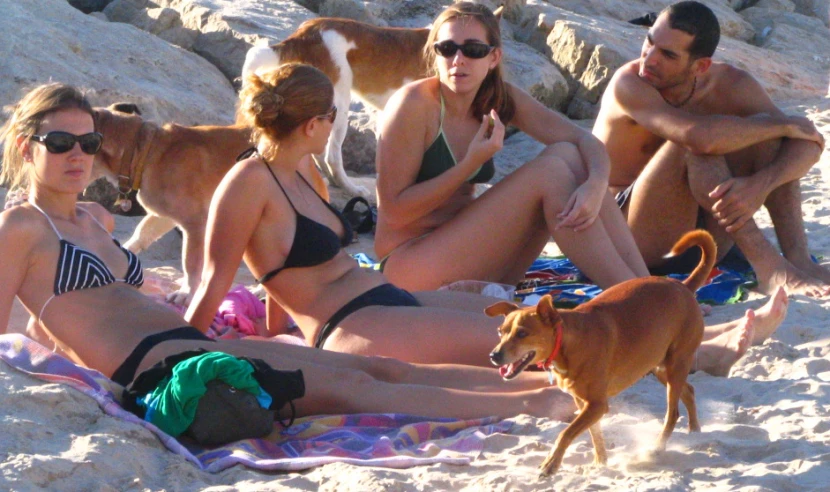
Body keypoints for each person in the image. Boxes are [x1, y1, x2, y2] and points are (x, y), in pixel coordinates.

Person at [0, 81, 584, 422]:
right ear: (27, 148)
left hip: (196, 347)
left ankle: (546, 390)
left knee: (380, 369)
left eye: (89, 141)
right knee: (362, 389)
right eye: (60, 143)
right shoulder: (20, 226)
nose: (78, 154)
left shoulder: (97, 218)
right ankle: (533, 407)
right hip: (165, 374)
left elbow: (73, 317)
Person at [184, 62, 784, 378]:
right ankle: (703, 353)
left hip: (383, 295)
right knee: (534, 354)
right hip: (350, 324)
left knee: (538, 325)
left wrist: (269, 329)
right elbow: (215, 283)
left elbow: (273, 276)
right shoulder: (244, 185)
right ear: (314, 123)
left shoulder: (305, 174)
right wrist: (171, 356)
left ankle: (691, 332)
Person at [374, 1, 649, 293]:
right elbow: (394, 212)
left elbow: (584, 141)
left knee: (567, 155)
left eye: (473, 50)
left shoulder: (498, 98)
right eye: (447, 48)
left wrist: (595, 185)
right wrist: (469, 164)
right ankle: (634, 297)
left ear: (494, 57)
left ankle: (649, 287)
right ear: (435, 53)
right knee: (551, 173)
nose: (458, 59)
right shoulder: (414, 105)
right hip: (409, 265)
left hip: (473, 255)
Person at [593, 1, 828, 297]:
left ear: (700, 66)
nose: (649, 59)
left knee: (766, 140)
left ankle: (798, 259)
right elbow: (698, 138)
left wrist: (759, 184)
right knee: (695, 144)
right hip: (627, 237)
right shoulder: (629, 84)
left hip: (706, 234)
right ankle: (769, 266)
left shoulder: (731, 84)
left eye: (667, 55)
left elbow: (809, 143)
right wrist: (781, 125)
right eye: (649, 42)